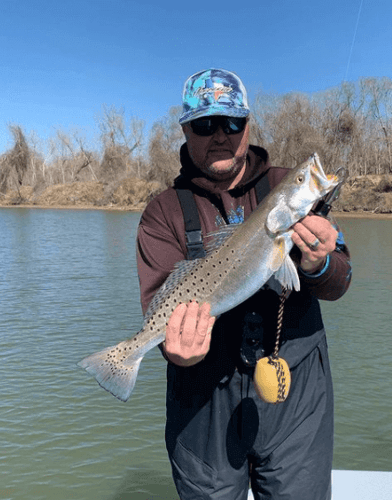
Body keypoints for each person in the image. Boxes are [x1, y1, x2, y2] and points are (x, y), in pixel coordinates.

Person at [136, 68, 352, 500]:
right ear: (185, 129)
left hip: (297, 398)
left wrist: (318, 264)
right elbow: (157, 303)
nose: (221, 134)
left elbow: (340, 278)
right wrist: (171, 349)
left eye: (233, 122)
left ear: (248, 126)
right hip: (201, 406)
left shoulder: (288, 189)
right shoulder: (162, 213)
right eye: (205, 123)